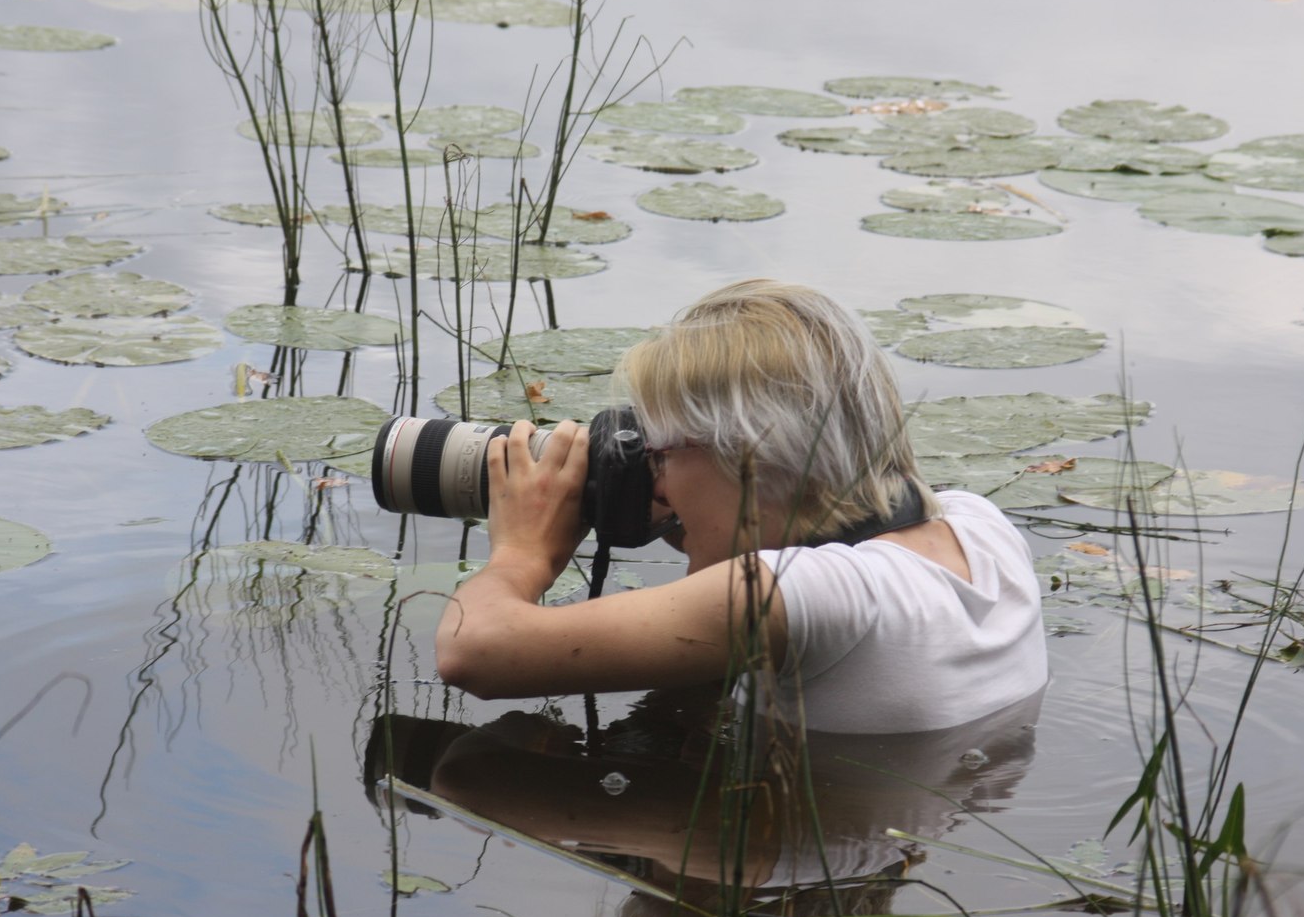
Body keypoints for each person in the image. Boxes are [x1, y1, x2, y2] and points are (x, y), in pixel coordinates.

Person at [434, 279, 1049, 733]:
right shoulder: (977, 524)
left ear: (750, 456)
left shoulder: (794, 593)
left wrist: (520, 551)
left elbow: (475, 651)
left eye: (662, 456)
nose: (659, 485)